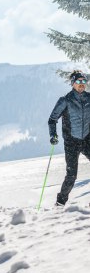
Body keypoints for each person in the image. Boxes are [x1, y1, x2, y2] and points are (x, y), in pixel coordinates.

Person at [48, 70, 90, 206]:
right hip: (71, 142)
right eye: (79, 81)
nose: (82, 84)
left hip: (87, 140)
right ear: (73, 83)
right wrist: (53, 134)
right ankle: (60, 203)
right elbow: (52, 119)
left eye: (84, 81)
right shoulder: (65, 100)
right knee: (71, 176)